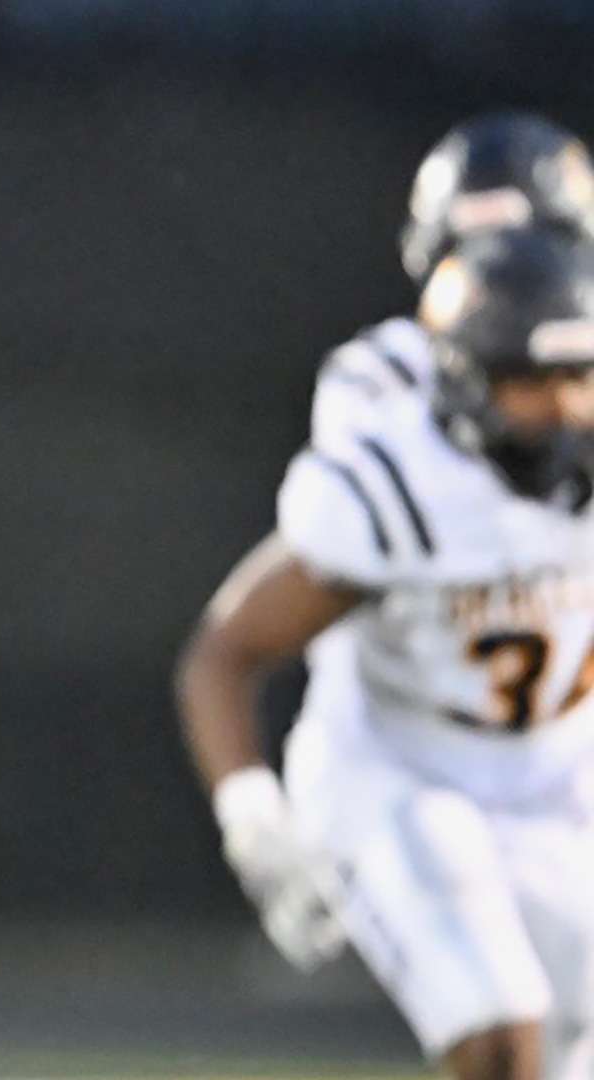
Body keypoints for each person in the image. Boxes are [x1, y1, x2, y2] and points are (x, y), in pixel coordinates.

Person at [177, 222, 594, 1076]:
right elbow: (225, 651)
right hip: (405, 771)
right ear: (466, 382)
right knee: (500, 1036)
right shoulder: (402, 482)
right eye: (530, 379)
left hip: (561, 770)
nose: (564, 405)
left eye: (580, 374)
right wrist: (253, 820)